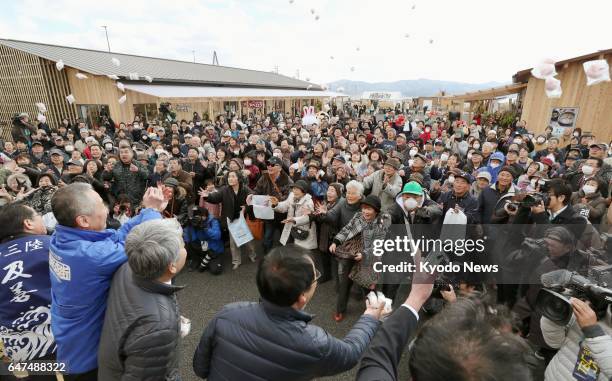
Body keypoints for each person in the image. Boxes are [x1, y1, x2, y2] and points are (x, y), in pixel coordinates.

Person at [192, 245, 386, 380]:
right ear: (302, 297)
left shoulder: (227, 314)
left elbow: (200, 367)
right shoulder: (314, 342)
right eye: (315, 277)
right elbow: (350, 353)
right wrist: (370, 317)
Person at [49, 183, 166, 378]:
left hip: (71, 340)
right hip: (86, 358)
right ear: (84, 220)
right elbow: (138, 247)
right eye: (101, 204)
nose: (107, 208)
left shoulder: (61, 237)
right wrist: (152, 212)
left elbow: (117, 236)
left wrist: (147, 211)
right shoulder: (91, 256)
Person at [98, 219, 187, 381]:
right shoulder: (158, 328)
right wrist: (165, 326)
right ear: (171, 266)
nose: (184, 246)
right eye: (182, 245)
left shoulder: (129, 266)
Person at [0, 203, 56, 380]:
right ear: (28, 224)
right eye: (38, 215)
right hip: (67, 344)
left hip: (21, 352)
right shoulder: (53, 245)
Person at [329, 195, 392, 322]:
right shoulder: (358, 216)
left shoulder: (382, 222)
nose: (365, 211)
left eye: (369, 209)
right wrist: (336, 241)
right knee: (345, 283)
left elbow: (379, 243)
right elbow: (347, 229)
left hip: (368, 257)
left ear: (376, 210)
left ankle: (372, 313)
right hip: (351, 253)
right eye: (363, 208)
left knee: (367, 287)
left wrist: (364, 254)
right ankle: (340, 310)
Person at [541, 300, 612, 381]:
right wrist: (553, 314)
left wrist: (592, 331)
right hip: (553, 376)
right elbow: (555, 343)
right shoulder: (592, 304)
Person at [200, 170, 256, 270]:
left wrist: (246, 207)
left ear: (238, 179)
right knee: (233, 242)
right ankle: (236, 261)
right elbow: (216, 197)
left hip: (242, 218)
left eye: (233, 176)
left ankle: (252, 255)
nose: (230, 178)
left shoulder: (245, 189)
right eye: (229, 176)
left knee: (248, 240)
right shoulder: (224, 189)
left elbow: (252, 199)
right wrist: (207, 196)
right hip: (230, 219)